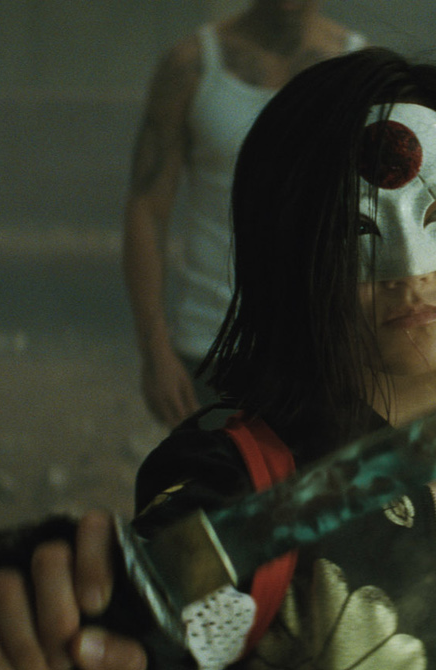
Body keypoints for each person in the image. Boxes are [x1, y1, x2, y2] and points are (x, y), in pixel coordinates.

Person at [0, 48, 436, 670]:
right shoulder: (249, 487)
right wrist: (53, 613)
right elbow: (158, 597)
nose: (415, 273)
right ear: (292, 257)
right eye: (355, 230)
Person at [122, 0, 363, 427]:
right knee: (222, 472)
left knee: (328, 474)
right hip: (214, 345)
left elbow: (384, 213)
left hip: (328, 350)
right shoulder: (193, 65)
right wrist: (155, 350)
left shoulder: (359, 70)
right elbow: (147, 208)